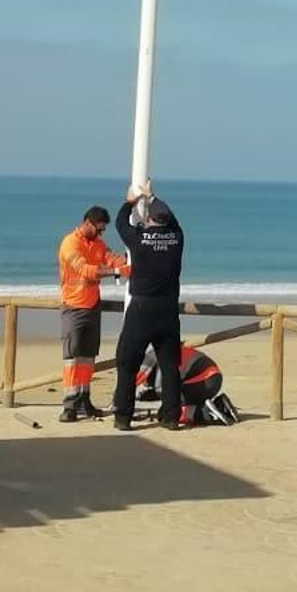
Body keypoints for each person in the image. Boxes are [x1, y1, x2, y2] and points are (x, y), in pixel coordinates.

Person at [111, 182, 183, 432]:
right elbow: (172, 220)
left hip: (142, 308)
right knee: (170, 365)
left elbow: (121, 223)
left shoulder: (139, 240)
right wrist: (152, 197)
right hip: (168, 310)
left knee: (127, 362)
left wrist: (130, 201)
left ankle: (123, 416)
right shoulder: (177, 238)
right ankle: (171, 417)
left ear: (149, 219)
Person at [56, 205, 129, 423]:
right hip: (73, 306)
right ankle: (69, 404)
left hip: (92, 306)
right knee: (72, 357)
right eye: (99, 229)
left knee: (88, 356)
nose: (101, 233)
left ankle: (84, 398)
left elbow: (110, 257)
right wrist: (116, 271)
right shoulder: (70, 243)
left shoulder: (98, 244)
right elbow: (86, 270)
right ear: (88, 223)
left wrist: (128, 261)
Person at [136, 341, 233, 427]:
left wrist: (126, 403)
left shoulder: (150, 362)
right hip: (212, 377)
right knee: (181, 399)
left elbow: (162, 390)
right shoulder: (162, 351)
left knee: (166, 413)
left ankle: (207, 413)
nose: (146, 384)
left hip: (201, 380)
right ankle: (219, 403)